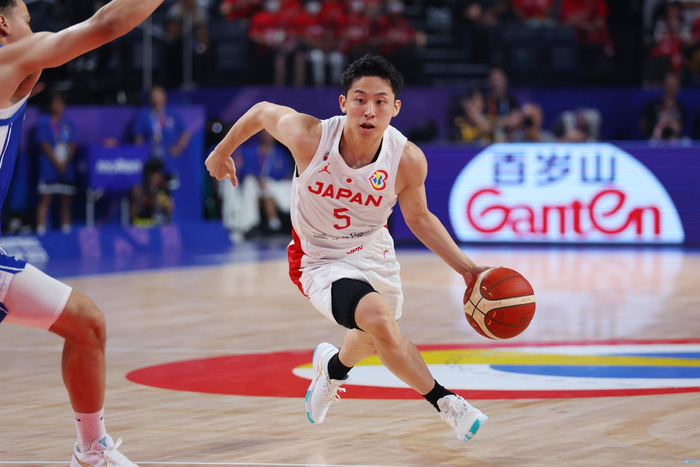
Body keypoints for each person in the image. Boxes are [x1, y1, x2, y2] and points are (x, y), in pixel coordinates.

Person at [206, 54, 491, 441]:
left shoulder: (406, 159)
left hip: (373, 250)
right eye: (359, 99)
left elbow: (420, 219)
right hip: (318, 258)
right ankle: (448, 403)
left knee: (374, 337)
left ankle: (333, 369)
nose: (369, 110)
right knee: (379, 322)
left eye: (380, 101)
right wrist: (222, 151)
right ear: (343, 103)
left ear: (395, 108)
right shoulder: (310, 137)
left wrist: (468, 270)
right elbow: (260, 112)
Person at [0, 0, 163, 464]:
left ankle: (91, 450)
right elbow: (107, 23)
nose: (33, 28)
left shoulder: (18, 72)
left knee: (87, 325)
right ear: (2, 24)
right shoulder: (8, 60)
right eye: (27, 19)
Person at [218, 129, 292, 241]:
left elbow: (286, 174)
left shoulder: (280, 153)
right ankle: (250, 225)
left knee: (286, 188)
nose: (268, 137)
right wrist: (259, 181)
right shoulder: (251, 152)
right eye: (265, 134)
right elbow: (246, 173)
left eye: (270, 134)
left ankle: (288, 224)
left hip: (275, 185)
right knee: (251, 184)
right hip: (256, 186)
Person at [35, 91, 77, 235]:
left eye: (60, 103)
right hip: (49, 167)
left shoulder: (68, 123)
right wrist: (56, 160)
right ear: (50, 105)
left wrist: (65, 161)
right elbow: (43, 142)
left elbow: (72, 143)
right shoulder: (43, 122)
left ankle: (66, 231)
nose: (57, 106)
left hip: (66, 167)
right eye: (54, 103)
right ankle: (40, 231)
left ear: (63, 105)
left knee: (66, 201)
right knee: (45, 198)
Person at [132, 86, 190, 190]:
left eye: (159, 95)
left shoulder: (172, 114)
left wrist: (179, 147)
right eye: (154, 95)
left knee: (169, 187)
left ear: (164, 96)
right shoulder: (144, 114)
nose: (156, 98)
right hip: (150, 157)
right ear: (150, 98)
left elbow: (184, 133)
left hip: (168, 157)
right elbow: (138, 135)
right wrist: (140, 152)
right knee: (150, 185)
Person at [130, 157, 174, 226]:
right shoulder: (139, 190)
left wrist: (164, 201)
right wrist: (139, 201)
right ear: (148, 175)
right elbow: (131, 214)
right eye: (155, 175)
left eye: (160, 174)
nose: (158, 178)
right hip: (142, 226)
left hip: (159, 226)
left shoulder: (163, 190)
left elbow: (170, 209)